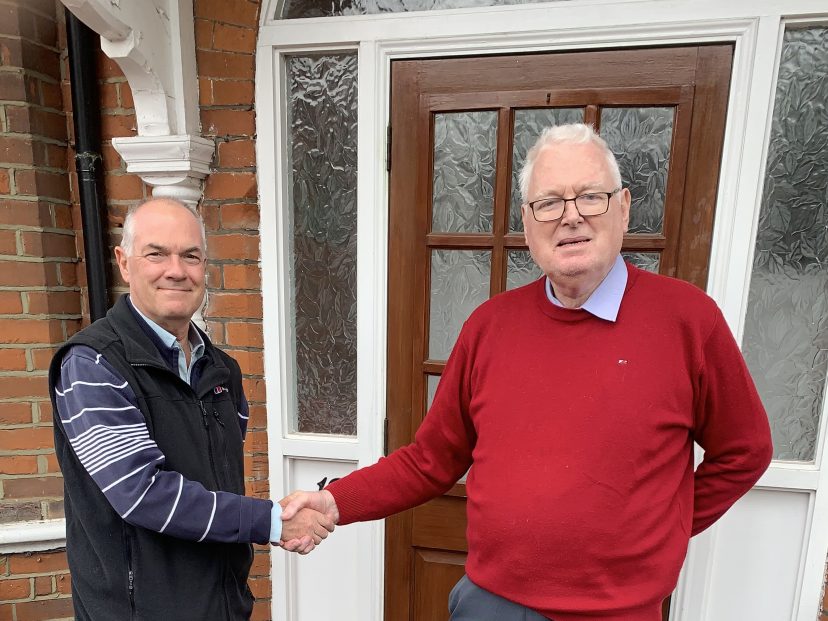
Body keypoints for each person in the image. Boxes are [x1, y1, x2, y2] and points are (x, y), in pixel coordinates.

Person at [280, 124, 774, 621]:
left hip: (617, 612)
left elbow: (745, 450)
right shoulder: (490, 327)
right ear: (527, 220)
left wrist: (666, 524)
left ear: (623, 206)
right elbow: (430, 459)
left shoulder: (687, 320)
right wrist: (334, 502)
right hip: (492, 604)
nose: (571, 217)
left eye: (590, 197)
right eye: (551, 202)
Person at [49, 198, 334, 621]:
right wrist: (273, 521)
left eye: (191, 256)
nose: (176, 270)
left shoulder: (222, 371)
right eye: (156, 253)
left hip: (221, 604)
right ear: (124, 263)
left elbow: (219, 483)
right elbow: (143, 494)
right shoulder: (94, 364)